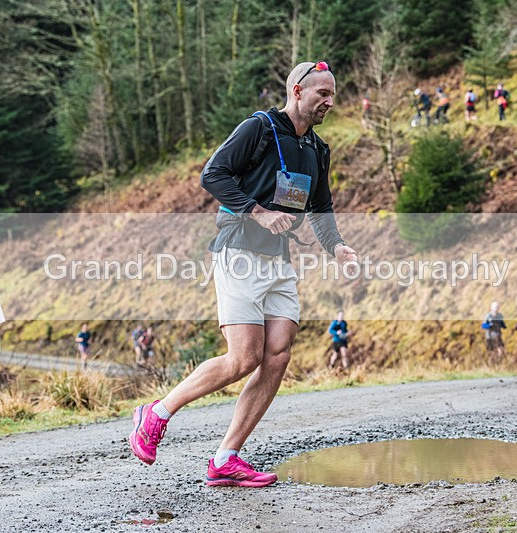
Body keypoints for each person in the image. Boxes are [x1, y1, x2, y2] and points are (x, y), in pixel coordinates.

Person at [129, 60, 357, 488]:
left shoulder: (318, 149)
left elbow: (321, 207)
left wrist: (336, 245)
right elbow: (213, 174)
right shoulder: (259, 128)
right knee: (244, 358)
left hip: (279, 260)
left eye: (333, 94)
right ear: (297, 91)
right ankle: (156, 413)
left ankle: (225, 458)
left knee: (278, 354)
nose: (330, 101)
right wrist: (257, 211)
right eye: (322, 93)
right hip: (239, 253)